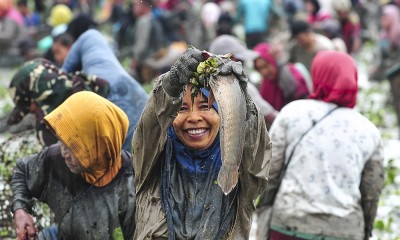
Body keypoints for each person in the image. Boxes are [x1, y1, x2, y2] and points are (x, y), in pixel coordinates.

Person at [132, 47, 271, 239]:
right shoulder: (151, 163)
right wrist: (171, 85)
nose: (194, 117)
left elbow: (256, 153)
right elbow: (152, 123)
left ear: (223, 114)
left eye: (205, 106)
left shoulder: (240, 171)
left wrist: (241, 100)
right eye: (182, 108)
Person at [257, 51, 384, 239]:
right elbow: (371, 191)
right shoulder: (369, 131)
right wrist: (366, 228)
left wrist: (263, 212)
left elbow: (269, 172)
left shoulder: (292, 113)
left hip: (289, 225)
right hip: (344, 230)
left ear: (318, 76)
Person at [11, 91, 136, 240]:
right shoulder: (55, 160)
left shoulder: (134, 184)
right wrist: (20, 210)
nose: (64, 153)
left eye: (74, 147)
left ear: (100, 146)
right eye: (61, 141)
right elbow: (22, 171)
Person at [62, 29, 149, 151]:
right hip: (148, 116)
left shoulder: (87, 98)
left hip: (132, 143)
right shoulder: (96, 51)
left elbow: (63, 74)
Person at [6, 58, 110, 148]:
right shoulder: (87, 82)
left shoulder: (47, 123)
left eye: (29, 108)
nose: (31, 112)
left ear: (36, 99)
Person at [208, 34, 279, 127]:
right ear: (231, 60)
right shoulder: (242, 87)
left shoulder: (205, 85)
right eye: (241, 61)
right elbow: (273, 117)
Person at [254, 42, 310, 111]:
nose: (264, 72)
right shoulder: (266, 85)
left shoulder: (291, 71)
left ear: (273, 60)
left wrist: (280, 64)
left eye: (266, 66)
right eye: (259, 69)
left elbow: (295, 92)